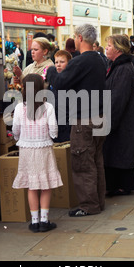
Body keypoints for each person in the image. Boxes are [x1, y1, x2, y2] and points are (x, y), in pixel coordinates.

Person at [46, 23, 106, 217]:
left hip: (84, 119)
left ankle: (89, 205)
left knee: (82, 163)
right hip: (99, 116)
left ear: (80, 38)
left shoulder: (81, 61)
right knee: (96, 160)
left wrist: (52, 70)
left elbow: (61, 83)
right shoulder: (98, 59)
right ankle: (98, 201)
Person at [12, 74, 63, 232]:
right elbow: (54, 129)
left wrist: (18, 138)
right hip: (44, 148)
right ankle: (44, 220)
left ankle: (34, 222)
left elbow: (15, 129)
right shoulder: (48, 107)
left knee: (31, 186)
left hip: (26, 149)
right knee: (45, 185)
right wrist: (52, 136)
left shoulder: (20, 107)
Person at [104, 35, 134, 196]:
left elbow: (118, 98)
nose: (106, 48)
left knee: (120, 152)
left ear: (118, 49)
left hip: (122, 119)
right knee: (117, 152)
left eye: (109, 45)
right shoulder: (115, 65)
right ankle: (119, 184)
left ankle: (121, 186)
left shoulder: (123, 68)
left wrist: (110, 120)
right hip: (120, 118)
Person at [50, 50, 72, 143]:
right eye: (56, 62)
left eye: (62, 62)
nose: (58, 64)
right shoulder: (54, 80)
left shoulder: (71, 80)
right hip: (55, 122)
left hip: (68, 124)